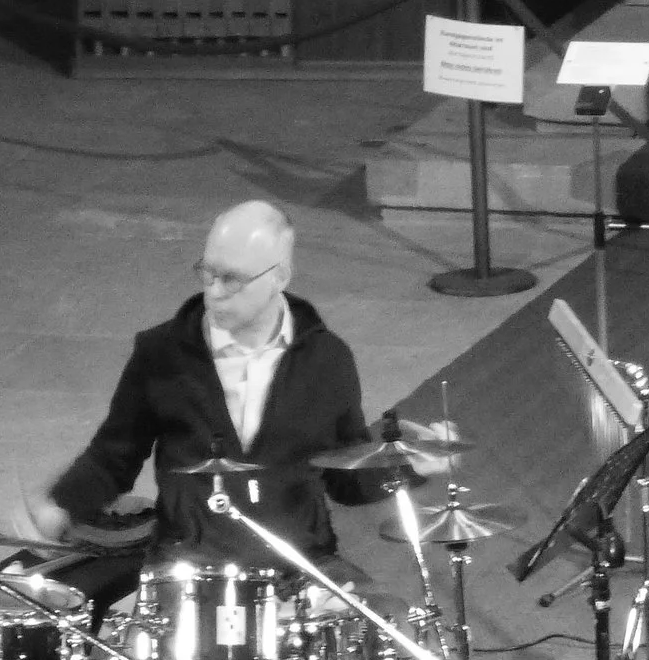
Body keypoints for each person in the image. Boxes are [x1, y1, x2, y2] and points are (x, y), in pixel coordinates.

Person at [33, 198, 386, 599]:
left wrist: (406, 466)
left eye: (232, 279)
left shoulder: (327, 359)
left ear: (280, 276)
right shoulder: (162, 351)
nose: (214, 293)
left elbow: (348, 477)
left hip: (301, 566)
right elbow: (114, 455)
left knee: (395, 637)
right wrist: (62, 504)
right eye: (208, 273)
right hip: (190, 566)